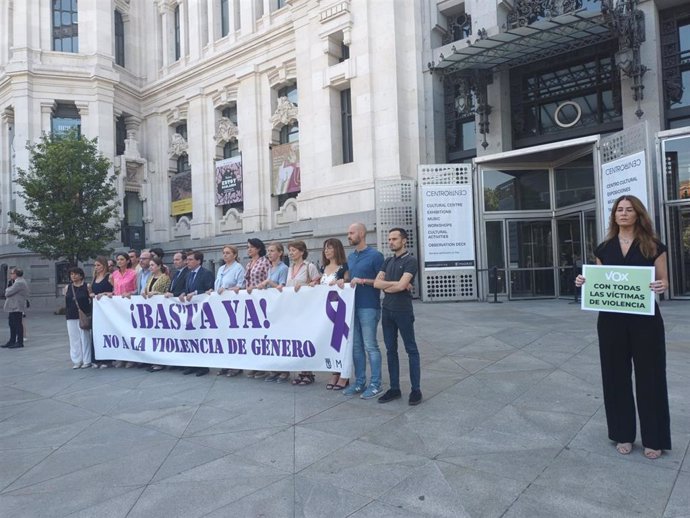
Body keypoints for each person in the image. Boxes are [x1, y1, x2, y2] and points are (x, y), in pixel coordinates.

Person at [575, 195, 671, 459]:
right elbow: (599, 281)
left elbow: (664, 281)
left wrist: (662, 286)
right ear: (614, 216)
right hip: (611, 321)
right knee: (615, 376)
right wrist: (585, 281)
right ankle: (622, 433)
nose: (624, 214)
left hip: (645, 320)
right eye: (620, 210)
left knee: (650, 376)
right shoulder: (603, 249)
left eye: (629, 210)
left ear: (638, 215)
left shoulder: (654, 247)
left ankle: (654, 438)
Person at [374, 228, 422, 406]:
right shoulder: (387, 261)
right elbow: (378, 283)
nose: (391, 242)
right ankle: (395, 388)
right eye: (389, 239)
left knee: (411, 349)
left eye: (395, 239)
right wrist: (396, 284)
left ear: (404, 241)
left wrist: (394, 286)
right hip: (387, 310)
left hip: (403, 311)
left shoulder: (411, 261)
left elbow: (402, 286)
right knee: (390, 350)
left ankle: (415, 389)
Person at [340, 223, 385, 400]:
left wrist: (363, 280)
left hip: (369, 306)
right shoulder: (351, 257)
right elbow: (349, 279)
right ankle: (359, 382)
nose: (348, 236)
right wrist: (342, 282)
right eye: (348, 233)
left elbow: (382, 282)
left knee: (370, 346)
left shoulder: (376, 256)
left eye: (351, 233)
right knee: (356, 347)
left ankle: (376, 384)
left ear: (361, 233)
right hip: (353, 307)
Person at [287, 240, 321, 386]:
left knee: (306, 339)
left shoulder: (310, 266)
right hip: (292, 308)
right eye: (290, 250)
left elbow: (317, 284)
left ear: (301, 252)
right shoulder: (290, 267)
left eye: (294, 250)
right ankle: (301, 370)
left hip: (306, 308)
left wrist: (306, 285)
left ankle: (308, 372)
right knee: (297, 340)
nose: (291, 253)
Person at [319, 238, 350, 390]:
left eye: (330, 248)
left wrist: (342, 282)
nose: (327, 251)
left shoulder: (344, 267)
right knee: (329, 342)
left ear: (337, 249)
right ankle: (334, 372)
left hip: (339, 310)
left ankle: (343, 373)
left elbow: (348, 283)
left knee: (340, 341)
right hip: (324, 310)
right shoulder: (323, 267)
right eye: (325, 248)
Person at [212, 245, 246, 377]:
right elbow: (217, 285)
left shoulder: (238, 268)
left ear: (235, 255)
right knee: (222, 335)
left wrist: (227, 290)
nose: (225, 255)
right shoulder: (221, 268)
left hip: (232, 306)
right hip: (220, 305)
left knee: (233, 336)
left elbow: (241, 286)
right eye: (223, 253)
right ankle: (225, 364)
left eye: (228, 253)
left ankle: (236, 366)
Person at [180, 251, 215, 376]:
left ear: (198, 261)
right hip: (191, 311)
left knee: (201, 337)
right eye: (187, 260)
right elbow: (186, 288)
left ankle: (203, 366)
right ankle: (192, 364)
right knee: (191, 337)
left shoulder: (206, 274)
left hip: (203, 311)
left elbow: (209, 290)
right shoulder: (188, 275)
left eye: (190, 260)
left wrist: (195, 293)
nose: (187, 262)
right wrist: (184, 293)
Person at [261, 242, 290, 383]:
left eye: (272, 251)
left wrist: (268, 282)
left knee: (281, 337)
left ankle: (284, 370)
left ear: (280, 253)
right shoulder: (270, 268)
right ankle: (275, 369)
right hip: (271, 306)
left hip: (280, 306)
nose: (269, 253)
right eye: (268, 251)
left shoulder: (283, 268)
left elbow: (281, 287)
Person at [243, 238, 271, 379]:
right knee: (252, 334)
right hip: (250, 301)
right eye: (248, 247)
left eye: (251, 247)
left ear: (258, 248)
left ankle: (263, 366)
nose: (249, 249)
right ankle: (255, 364)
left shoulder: (264, 262)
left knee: (262, 334)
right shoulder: (248, 264)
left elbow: (268, 279)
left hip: (261, 299)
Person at [64, 267, 93, 369]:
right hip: (71, 315)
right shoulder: (67, 287)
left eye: (76, 274)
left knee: (85, 337)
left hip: (84, 315)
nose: (73, 276)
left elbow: (90, 299)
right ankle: (77, 360)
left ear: (81, 275)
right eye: (71, 274)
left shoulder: (87, 286)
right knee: (74, 339)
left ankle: (87, 360)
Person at [89, 256, 113, 368]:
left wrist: (104, 294)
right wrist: (91, 294)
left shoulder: (109, 277)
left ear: (104, 265)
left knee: (106, 332)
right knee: (96, 333)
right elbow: (91, 291)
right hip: (96, 308)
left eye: (98, 265)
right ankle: (95, 358)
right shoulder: (94, 277)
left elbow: (114, 291)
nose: (96, 267)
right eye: (95, 265)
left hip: (106, 310)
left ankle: (106, 359)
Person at [2, 268, 29, 349]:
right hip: (14, 306)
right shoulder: (17, 282)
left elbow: (7, 293)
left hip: (16, 306)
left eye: (12, 273)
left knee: (17, 324)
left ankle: (19, 342)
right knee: (12, 324)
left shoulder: (19, 282)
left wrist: (7, 289)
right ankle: (12, 340)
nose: (11, 275)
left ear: (16, 274)